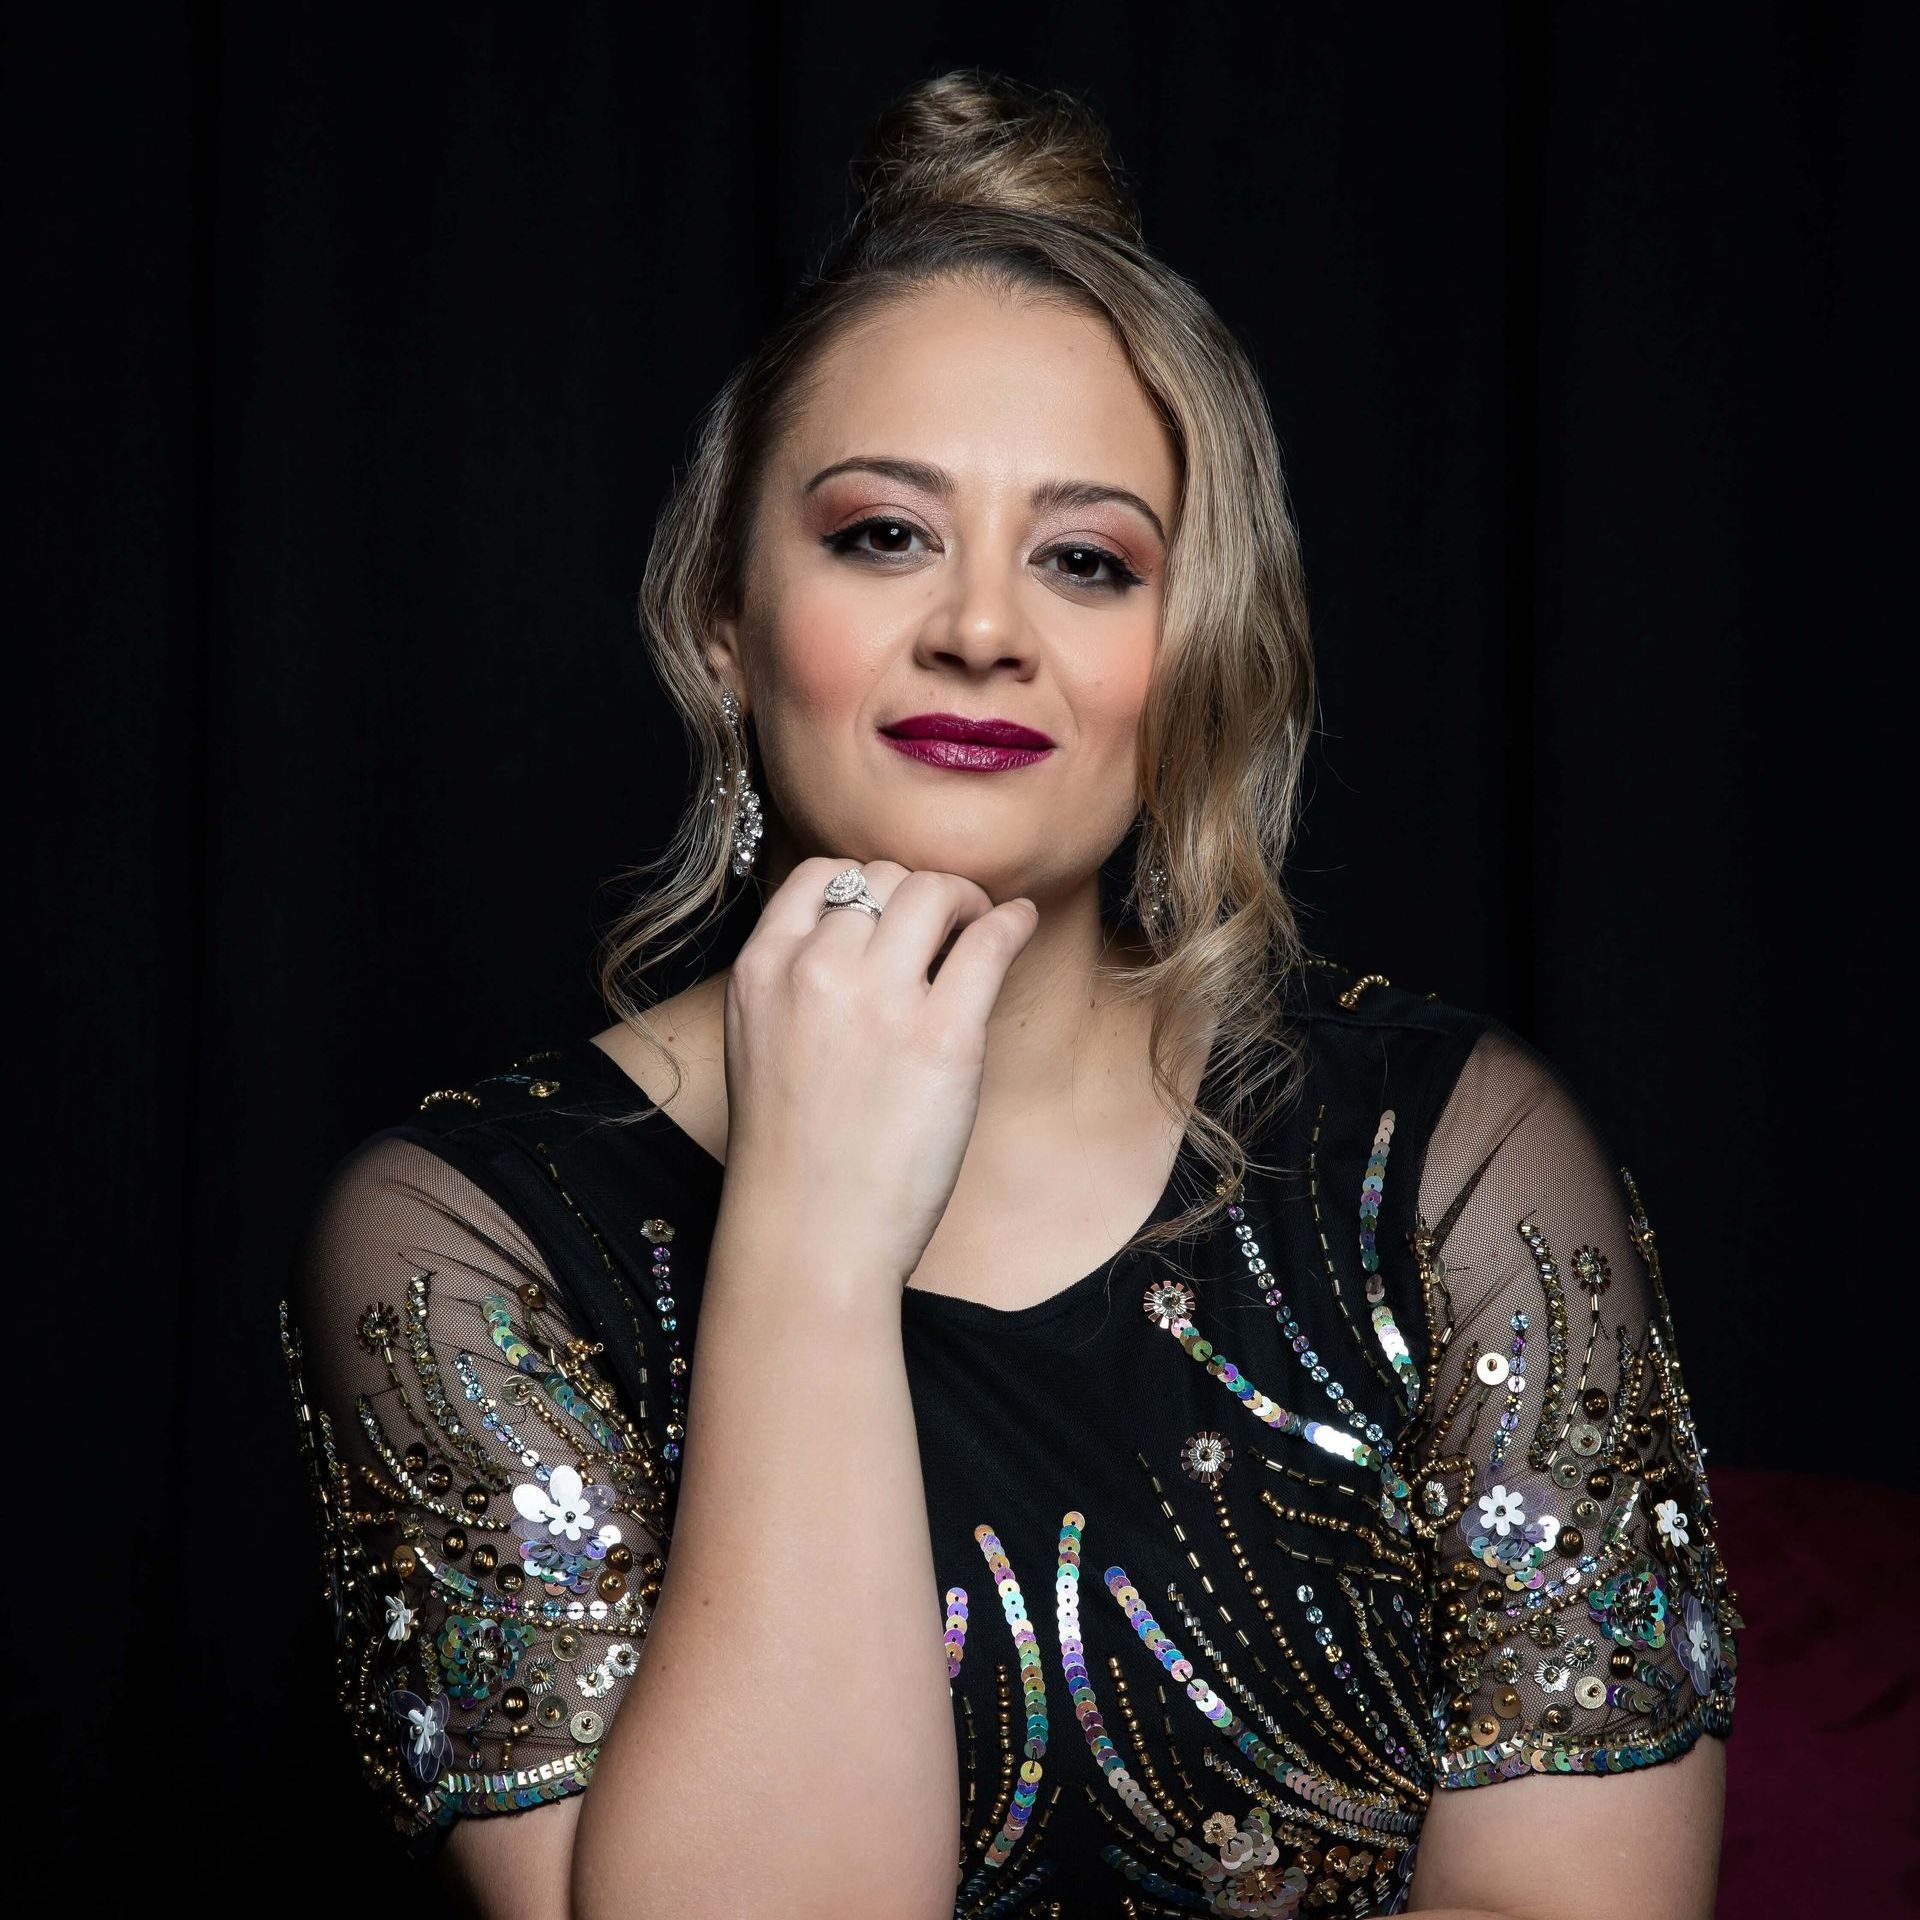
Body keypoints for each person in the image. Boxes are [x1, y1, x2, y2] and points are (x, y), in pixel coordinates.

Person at [277, 68, 1739, 1920]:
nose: (982, 626)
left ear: (1190, 651)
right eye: (884, 533)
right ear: (726, 619)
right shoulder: (457, 1240)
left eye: (1086, 559)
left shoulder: (1444, 1162)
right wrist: (808, 1239)